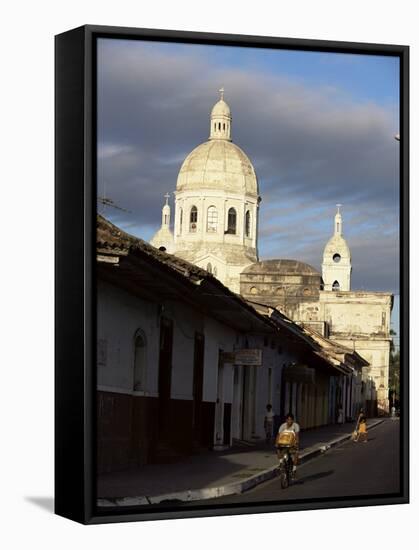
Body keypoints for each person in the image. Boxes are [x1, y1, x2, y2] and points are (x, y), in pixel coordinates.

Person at [276, 413, 300, 478]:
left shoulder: (296, 426)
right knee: (278, 450)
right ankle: (281, 463)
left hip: (292, 444)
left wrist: (297, 443)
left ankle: (294, 469)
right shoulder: (282, 426)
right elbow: (278, 435)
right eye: (288, 420)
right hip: (284, 444)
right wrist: (276, 443)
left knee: (296, 454)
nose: (289, 421)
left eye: (291, 420)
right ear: (286, 420)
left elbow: (297, 435)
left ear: (293, 420)